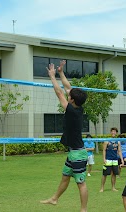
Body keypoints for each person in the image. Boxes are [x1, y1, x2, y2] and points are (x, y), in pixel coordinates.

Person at [40, 60, 88, 212]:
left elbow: (59, 92)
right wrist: (61, 73)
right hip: (74, 152)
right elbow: (67, 88)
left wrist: (52, 76)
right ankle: (54, 199)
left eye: (70, 95)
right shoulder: (78, 107)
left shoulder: (72, 111)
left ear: (72, 100)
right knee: (65, 176)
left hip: (78, 153)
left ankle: (84, 209)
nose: (69, 94)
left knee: (81, 183)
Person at [100, 127, 124, 192]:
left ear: (116, 133)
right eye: (112, 131)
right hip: (108, 160)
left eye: (115, 131)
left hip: (115, 160)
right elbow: (104, 150)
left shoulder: (118, 141)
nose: (113, 133)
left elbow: (119, 151)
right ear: (110, 132)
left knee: (114, 174)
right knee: (105, 174)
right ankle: (102, 188)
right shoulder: (107, 140)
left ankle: (113, 187)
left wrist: (122, 160)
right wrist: (104, 159)